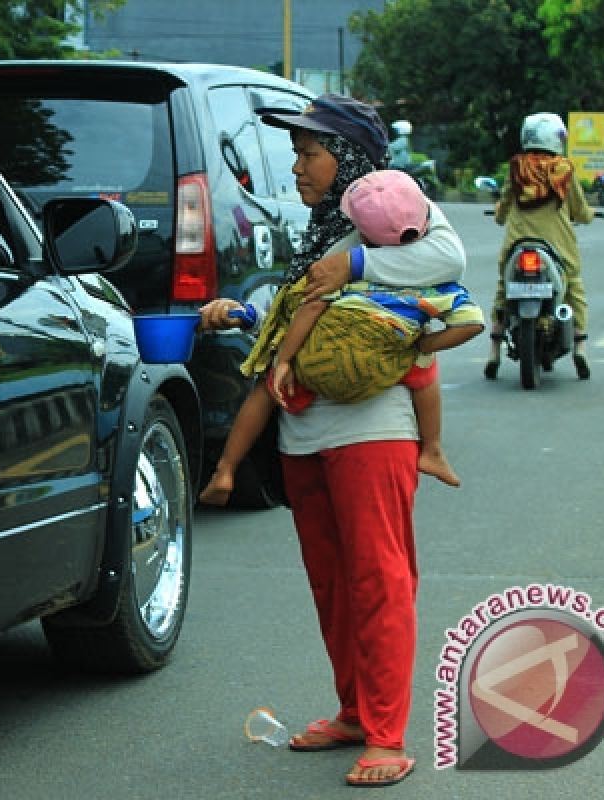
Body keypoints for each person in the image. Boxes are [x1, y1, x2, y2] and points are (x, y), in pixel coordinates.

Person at [198, 93, 466, 788]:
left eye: (309, 153)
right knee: (332, 584)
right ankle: (353, 711)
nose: (297, 167)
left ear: (347, 156)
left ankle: (386, 734)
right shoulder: (325, 229)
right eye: (297, 153)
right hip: (302, 434)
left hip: (371, 429)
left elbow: (448, 256)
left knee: (380, 581)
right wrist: (245, 314)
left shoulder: (388, 214)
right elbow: (309, 311)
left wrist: (355, 268)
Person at [198, 169, 483, 507]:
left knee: (267, 386)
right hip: (373, 379)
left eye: (309, 154)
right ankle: (433, 448)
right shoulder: (435, 285)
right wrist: (424, 345)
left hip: (317, 380)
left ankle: (226, 468)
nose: (298, 167)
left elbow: (308, 308)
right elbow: (471, 324)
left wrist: (285, 359)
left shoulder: (338, 272)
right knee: (423, 370)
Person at [486, 112, 594, 380]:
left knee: (504, 287)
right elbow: (579, 209)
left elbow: (506, 203)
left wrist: (499, 216)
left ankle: (494, 349)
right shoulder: (564, 169)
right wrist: (588, 215)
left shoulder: (517, 167)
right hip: (557, 244)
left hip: (518, 242)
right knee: (573, 285)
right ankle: (580, 344)